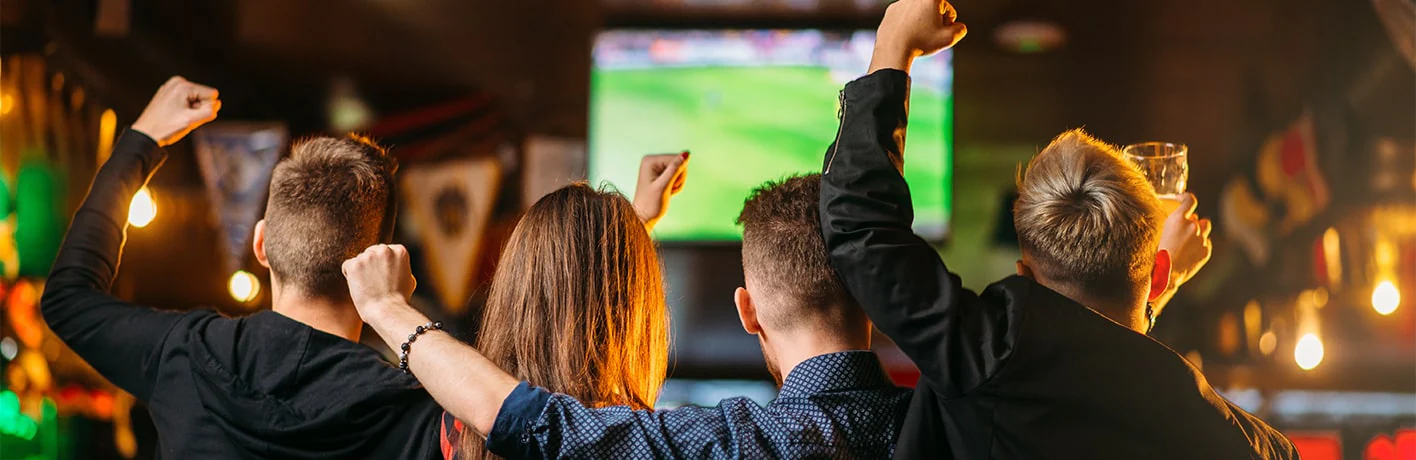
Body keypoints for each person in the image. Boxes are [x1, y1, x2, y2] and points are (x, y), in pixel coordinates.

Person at [817, 0, 1298, 458]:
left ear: (1025, 274)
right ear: (1158, 275)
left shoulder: (983, 355)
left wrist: (895, 37)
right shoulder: (1241, 443)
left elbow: (860, 224)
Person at [344, 174, 912, 459]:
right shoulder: (951, 421)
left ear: (749, 310)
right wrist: (620, 246)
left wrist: (385, 308)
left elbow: (524, 416)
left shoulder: (444, 430)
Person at [40, 77, 443, 458]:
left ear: (261, 243)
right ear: (382, 262)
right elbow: (503, 419)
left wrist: (142, 141)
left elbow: (67, 298)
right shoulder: (414, 414)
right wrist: (394, 312)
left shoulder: (185, 353)